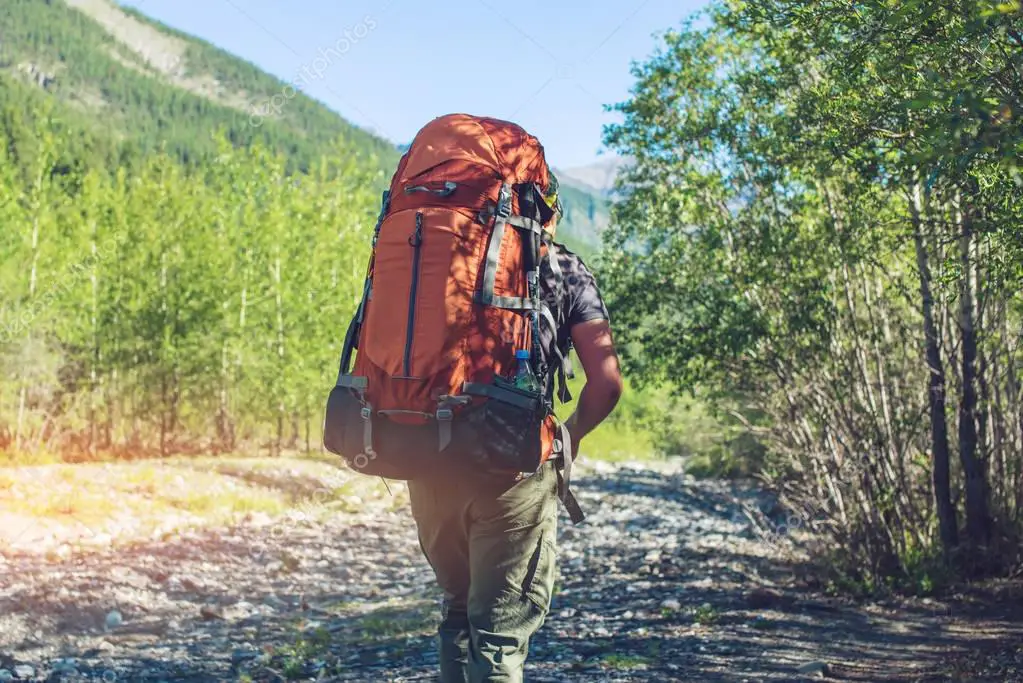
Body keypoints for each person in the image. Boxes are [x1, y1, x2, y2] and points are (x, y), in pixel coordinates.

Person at [405, 170, 624, 683]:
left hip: (427, 457)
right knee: (500, 634)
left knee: (458, 609)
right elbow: (607, 382)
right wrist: (570, 437)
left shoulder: (436, 257)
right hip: (516, 469)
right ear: (545, 210)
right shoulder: (565, 268)